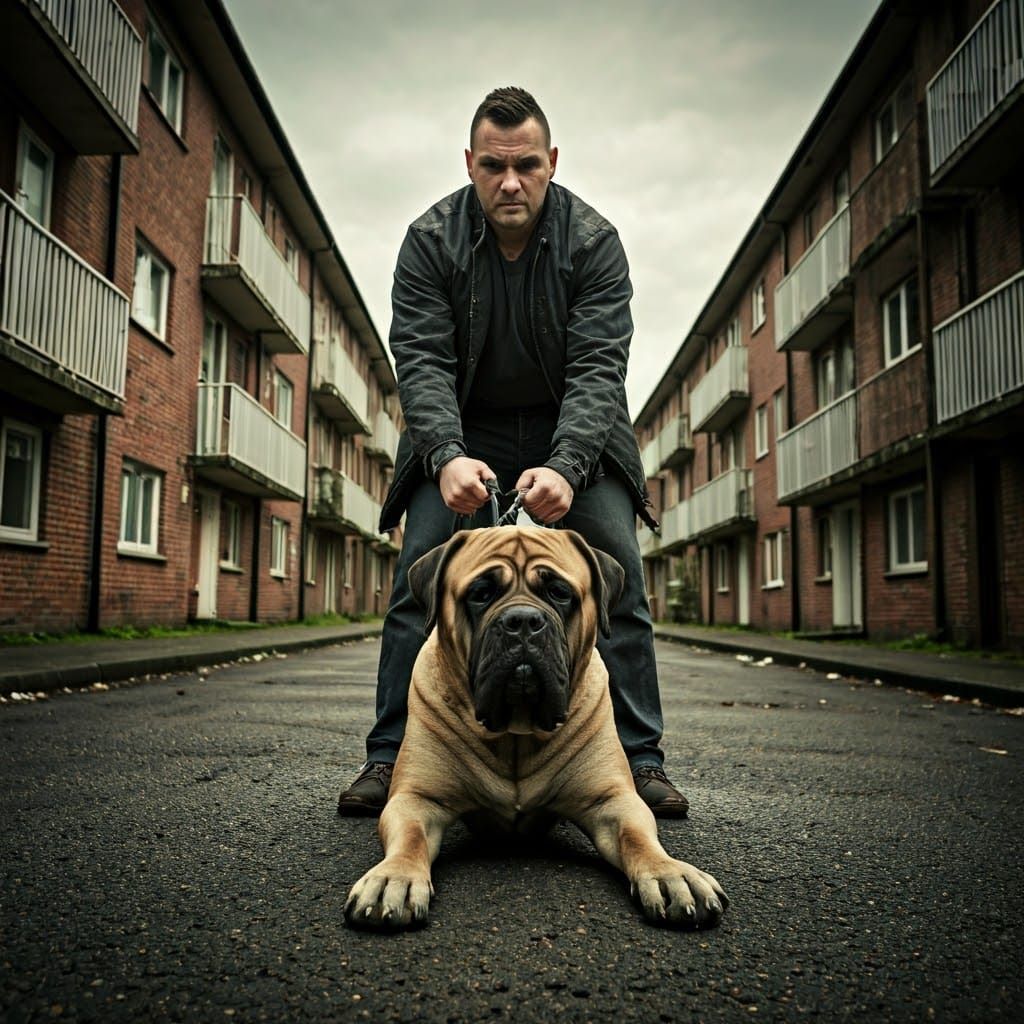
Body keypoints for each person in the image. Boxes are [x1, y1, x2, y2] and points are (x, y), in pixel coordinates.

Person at [337, 87, 688, 818]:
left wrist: (568, 466)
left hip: (574, 428)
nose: (509, 182)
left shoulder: (594, 242)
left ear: (551, 161)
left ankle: (641, 760)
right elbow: (421, 361)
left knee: (618, 573)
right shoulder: (428, 241)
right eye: (493, 166)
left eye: (526, 165)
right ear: (469, 163)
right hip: (463, 427)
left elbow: (599, 368)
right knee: (421, 571)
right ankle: (389, 755)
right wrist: (444, 456)